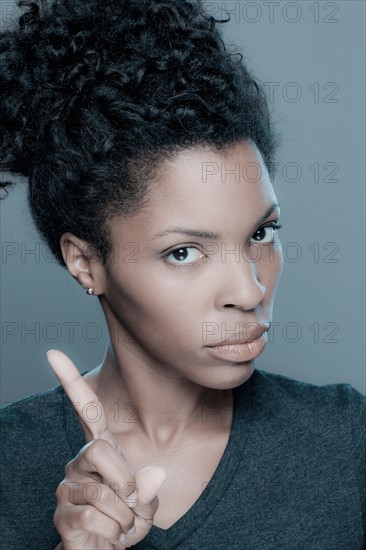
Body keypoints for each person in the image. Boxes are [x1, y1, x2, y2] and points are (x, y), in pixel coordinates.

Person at [0, 0, 365, 549]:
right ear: (85, 262)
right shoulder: (8, 469)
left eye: (261, 234)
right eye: (184, 252)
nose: (249, 290)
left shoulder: (346, 442)